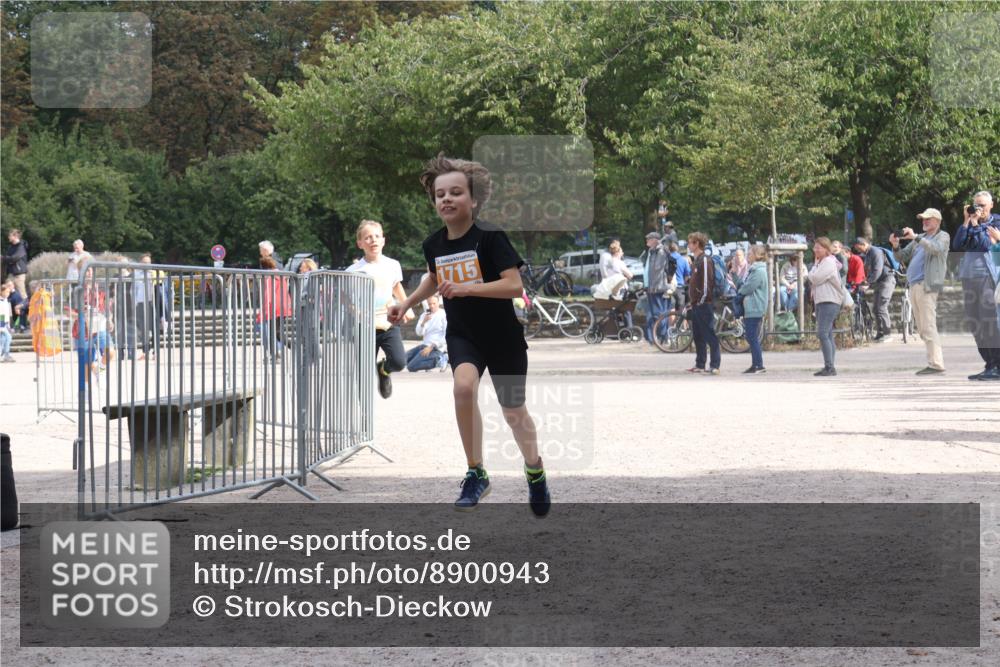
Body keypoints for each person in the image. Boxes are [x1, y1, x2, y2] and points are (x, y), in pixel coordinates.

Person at [389, 153, 550, 516]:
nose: (446, 199)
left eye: (456, 192)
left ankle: (535, 470)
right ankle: (476, 472)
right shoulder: (434, 244)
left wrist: (468, 289)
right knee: (462, 387)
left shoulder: (490, 237)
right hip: (464, 335)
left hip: (503, 337)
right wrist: (409, 302)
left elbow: (513, 285)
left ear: (473, 200)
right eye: (439, 194)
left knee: (513, 413)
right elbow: (434, 275)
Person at [347, 220, 413, 398]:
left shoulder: (392, 264)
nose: (373, 240)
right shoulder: (353, 271)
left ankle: (383, 370)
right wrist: (357, 312)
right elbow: (345, 298)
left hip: (388, 322)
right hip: (365, 326)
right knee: (363, 373)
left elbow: (396, 286)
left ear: (383, 240)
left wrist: (406, 306)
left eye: (376, 236)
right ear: (360, 243)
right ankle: (363, 414)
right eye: (367, 237)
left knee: (399, 362)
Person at [891, 208, 951, 375]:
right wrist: (895, 246)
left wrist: (915, 237)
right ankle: (933, 362)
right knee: (923, 327)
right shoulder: (921, 238)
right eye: (923, 219)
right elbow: (901, 256)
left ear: (937, 221)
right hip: (915, 285)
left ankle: (937, 364)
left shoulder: (943, 236)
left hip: (927, 285)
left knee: (928, 325)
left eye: (928, 219)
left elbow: (936, 249)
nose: (924, 221)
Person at [951, 190, 1000, 381]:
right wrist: (966, 221)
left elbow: (984, 245)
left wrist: (975, 224)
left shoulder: (996, 223)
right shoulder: (971, 222)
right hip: (969, 277)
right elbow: (957, 244)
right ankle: (989, 364)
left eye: (982, 205)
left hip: (988, 277)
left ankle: (997, 364)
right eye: (976, 204)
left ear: (991, 205)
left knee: (990, 322)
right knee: (975, 323)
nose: (979, 208)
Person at [806, 237, 842, 377]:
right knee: (828, 334)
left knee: (822, 333)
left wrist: (811, 272)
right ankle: (829, 366)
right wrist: (814, 268)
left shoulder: (828, 262)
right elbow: (815, 276)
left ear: (826, 249)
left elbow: (814, 278)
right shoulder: (820, 262)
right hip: (822, 301)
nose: (815, 249)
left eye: (819, 247)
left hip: (830, 301)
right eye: (815, 247)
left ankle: (829, 367)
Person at [686, 232, 721, 375]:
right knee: (698, 336)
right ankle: (700, 364)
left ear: (697, 244)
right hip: (696, 304)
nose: (688, 245)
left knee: (709, 335)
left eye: (690, 242)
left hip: (704, 304)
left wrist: (701, 301)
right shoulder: (696, 260)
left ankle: (715, 365)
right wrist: (692, 302)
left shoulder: (705, 260)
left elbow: (707, 283)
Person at [853, 236, 896, 341]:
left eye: (858, 248)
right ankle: (880, 333)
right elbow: (870, 270)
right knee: (875, 309)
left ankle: (887, 333)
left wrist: (868, 282)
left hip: (887, 280)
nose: (858, 251)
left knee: (881, 307)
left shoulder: (875, 252)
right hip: (879, 282)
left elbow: (877, 270)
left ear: (863, 244)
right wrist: (866, 281)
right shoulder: (868, 253)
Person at [737, 244, 768, 374]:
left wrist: (740, 290)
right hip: (751, 306)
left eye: (750, 254)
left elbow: (749, 287)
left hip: (755, 307)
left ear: (757, 255)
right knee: (751, 336)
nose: (748, 255)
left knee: (751, 336)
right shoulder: (754, 269)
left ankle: (759, 365)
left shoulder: (759, 271)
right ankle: (755, 363)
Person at [256, 256, 292, 361]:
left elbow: (268, 295)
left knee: (271, 332)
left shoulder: (269, 277)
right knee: (276, 333)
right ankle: (278, 353)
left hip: (273, 308)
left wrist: (264, 311)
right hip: (283, 307)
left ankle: (278, 353)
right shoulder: (281, 275)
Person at [641, 232, 672, 343]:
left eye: (648, 239)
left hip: (658, 287)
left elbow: (657, 270)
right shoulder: (652, 251)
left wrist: (652, 287)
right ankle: (659, 337)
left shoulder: (661, 251)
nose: (647, 241)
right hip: (652, 287)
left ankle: (664, 337)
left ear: (655, 240)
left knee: (659, 314)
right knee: (656, 314)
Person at [406, 294, 448, 372]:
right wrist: (424, 322)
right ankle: (426, 362)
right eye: (429, 304)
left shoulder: (443, 315)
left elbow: (446, 335)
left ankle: (440, 360)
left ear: (438, 303)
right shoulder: (424, 315)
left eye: (434, 303)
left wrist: (431, 347)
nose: (431, 306)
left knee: (411, 367)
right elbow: (419, 333)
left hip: (436, 348)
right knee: (403, 359)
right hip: (424, 346)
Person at [2, 229, 28, 301]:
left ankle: (26, 311)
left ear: (15, 236)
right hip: (11, 274)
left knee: (22, 294)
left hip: (19, 275)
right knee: (4, 291)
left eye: (10, 236)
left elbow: (14, 258)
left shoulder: (21, 247)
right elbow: (7, 259)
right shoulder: (10, 247)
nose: (8, 237)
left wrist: (3, 258)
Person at [0, 282, 14, 362]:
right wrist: (1, 326)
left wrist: (8, 325)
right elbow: (1, 314)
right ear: (1, 291)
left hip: (5, 323)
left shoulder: (5, 301)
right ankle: (6, 354)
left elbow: (6, 314)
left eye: (9, 292)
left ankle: (4, 354)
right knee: (8, 337)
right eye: (6, 292)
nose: (8, 293)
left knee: (3, 339)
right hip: (1, 323)